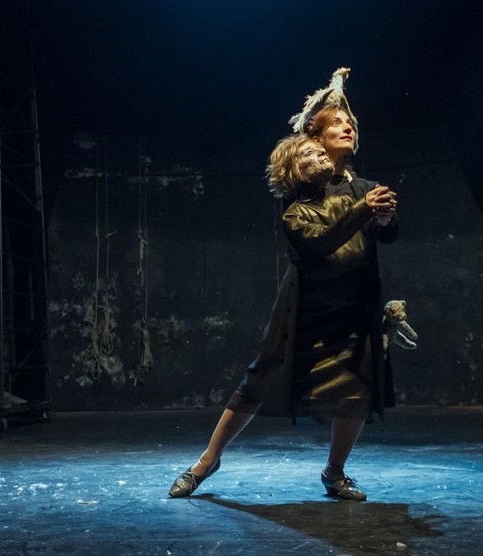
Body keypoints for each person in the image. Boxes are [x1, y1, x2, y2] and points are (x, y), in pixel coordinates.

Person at [168, 68, 399, 501]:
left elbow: (384, 235)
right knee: (259, 382)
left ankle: (334, 473)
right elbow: (318, 244)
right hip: (308, 309)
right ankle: (206, 462)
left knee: (356, 388)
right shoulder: (299, 200)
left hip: (354, 306)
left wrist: (385, 220)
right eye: (336, 123)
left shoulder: (365, 189)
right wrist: (364, 210)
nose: (347, 126)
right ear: (316, 140)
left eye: (349, 123)